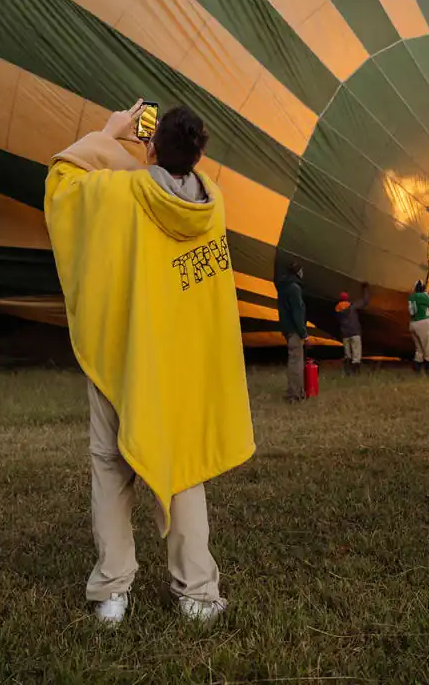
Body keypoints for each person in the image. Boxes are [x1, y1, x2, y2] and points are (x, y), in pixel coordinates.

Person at [45, 100, 255, 626]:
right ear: (199, 157)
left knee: (111, 465)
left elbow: (62, 180)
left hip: (123, 356)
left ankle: (113, 594)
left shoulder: (119, 193)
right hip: (179, 363)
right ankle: (197, 594)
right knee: (183, 467)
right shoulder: (213, 206)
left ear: (152, 146)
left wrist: (109, 133)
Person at [276, 261, 308, 401]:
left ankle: (295, 391)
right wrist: (303, 333)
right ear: (297, 272)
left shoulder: (283, 287)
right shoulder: (294, 289)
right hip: (294, 330)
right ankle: (295, 395)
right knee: (296, 362)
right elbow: (297, 312)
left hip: (287, 328)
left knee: (293, 361)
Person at [335, 286, 370, 375]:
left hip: (345, 334)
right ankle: (356, 371)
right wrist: (365, 289)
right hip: (355, 333)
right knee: (356, 353)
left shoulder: (337, 309)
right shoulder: (352, 307)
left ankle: (347, 371)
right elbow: (364, 301)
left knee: (347, 354)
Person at [408, 279, 429, 372]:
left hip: (413, 323)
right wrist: (426, 294)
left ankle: (417, 367)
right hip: (423, 323)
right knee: (428, 346)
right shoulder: (422, 296)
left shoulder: (411, 297)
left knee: (419, 348)